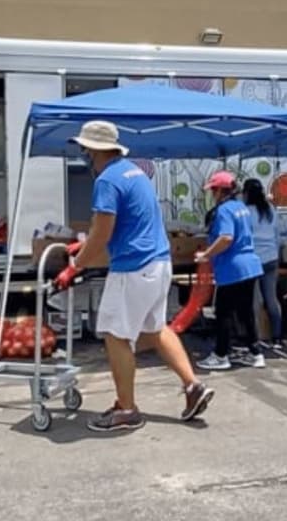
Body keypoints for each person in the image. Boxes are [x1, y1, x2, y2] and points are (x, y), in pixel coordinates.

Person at [69, 122, 214, 433]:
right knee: (155, 328)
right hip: (159, 262)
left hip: (133, 268)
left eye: (85, 149)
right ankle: (193, 386)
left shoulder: (107, 180)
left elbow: (103, 231)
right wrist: (88, 243)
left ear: (94, 149)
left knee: (115, 334)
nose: (83, 154)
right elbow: (119, 225)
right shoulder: (133, 172)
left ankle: (126, 408)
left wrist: (77, 264)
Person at [196, 171, 266, 371]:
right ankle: (256, 353)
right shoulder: (241, 208)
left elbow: (226, 237)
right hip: (250, 265)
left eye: (213, 190)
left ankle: (220, 355)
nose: (212, 194)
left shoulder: (224, 211)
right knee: (246, 312)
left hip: (232, 267)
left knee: (223, 313)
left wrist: (206, 254)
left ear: (220, 191)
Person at [244, 179, 283, 350]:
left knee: (255, 301)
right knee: (271, 299)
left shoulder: (245, 212)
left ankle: (256, 338)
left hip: (253, 259)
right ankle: (277, 337)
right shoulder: (270, 210)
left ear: (246, 194)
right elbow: (277, 235)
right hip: (272, 258)